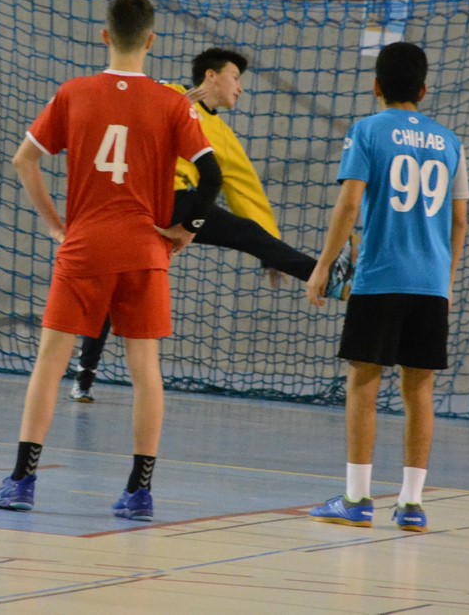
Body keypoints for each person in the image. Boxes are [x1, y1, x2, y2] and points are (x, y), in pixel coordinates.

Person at [0, 0, 222, 521]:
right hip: (145, 249)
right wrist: (187, 230)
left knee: (51, 363)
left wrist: (55, 224)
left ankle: (21, 482)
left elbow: (24, 160)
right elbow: (212, 177)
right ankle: (139, 492)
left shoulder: (74, 93)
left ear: (104, 35)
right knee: (145, 371)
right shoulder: (172, 104)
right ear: (151, 41)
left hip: (85, 247)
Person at [69, 47, 357, 402]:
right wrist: (171, 106)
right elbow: (126, 115)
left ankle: (84, 376)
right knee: (112, 282)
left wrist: (270, 253)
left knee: (239, 235)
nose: (240, 88)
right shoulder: (168, 93)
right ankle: (84, 374)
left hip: (174, 207)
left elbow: (246, 189)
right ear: (211, 76)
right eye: (235, 78)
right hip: (139, 197)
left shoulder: (222, 136)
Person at [305, 41, 468, 533]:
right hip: (431, 284)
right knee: (420, 389)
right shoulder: (450, 142)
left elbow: (349, 205)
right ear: (424, 89)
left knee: (363, 381)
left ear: (376, 86)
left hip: (379, 278)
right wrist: (447, 281)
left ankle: (357, 499)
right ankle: (412, 504)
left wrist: (323, 266)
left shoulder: (367, 131)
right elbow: (460, 221)